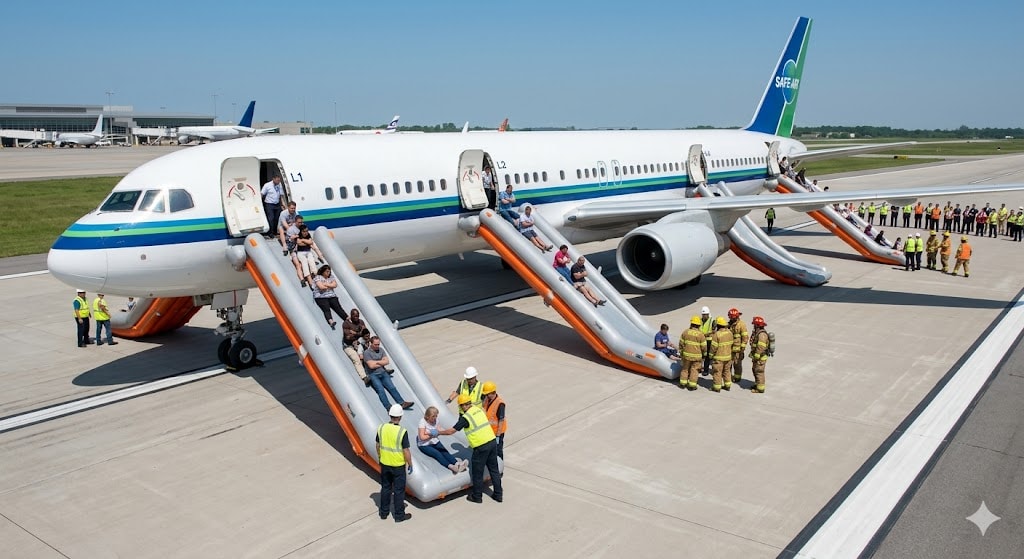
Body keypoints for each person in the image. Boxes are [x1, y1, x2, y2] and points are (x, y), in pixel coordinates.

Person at [438, 394, 502, 504]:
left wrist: (438, 432)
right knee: (494, 470)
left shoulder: (466, 418)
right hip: (491, 442)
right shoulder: (478, 410)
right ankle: (498, 494)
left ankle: (477, 496)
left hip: (481, 447)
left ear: (463, 406)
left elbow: (451, 431)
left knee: (477, 472)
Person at [376, 404, 412, 522]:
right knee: (398, 491)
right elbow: (405, 450)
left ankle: (383, 513)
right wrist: (410, 463)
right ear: (400, 417)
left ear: (389, 415)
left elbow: (377, 445)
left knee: (386, 488)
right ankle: (399, 515)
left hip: (385, 463)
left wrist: (380, 457)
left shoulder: (381, 428)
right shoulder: (402, 431)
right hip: (398, 465)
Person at [363, 336, 413, 410]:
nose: (377, 346)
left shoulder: (381, 350)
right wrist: (381, 362)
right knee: (381, 390)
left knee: (392, 387)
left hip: (383, 372)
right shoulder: (367, 353)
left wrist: (376, 362)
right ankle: (388, 407)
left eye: (378, 344)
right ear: (371, 343)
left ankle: (402, 403)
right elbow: (371, 366)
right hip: (373, 375)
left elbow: (386, 361)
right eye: (375, 344)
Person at [417, 406, 465, 474]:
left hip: (434, 441)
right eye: (433, 416)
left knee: (444, 451)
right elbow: (422, 437)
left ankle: (457, 464)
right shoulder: (422, 422)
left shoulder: (436, 421)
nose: (435, 418)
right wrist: (431, 434)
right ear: (428, 416)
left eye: (436, 416)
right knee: (437, 454)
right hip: (424, 444)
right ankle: (451, 467)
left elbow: (439, 430)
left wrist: (444, 432)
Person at [311, 265, 347, 330]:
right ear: (323, 272)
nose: (328, 273)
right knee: (326, 309)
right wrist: (330, 285)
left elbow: (335, 285)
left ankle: (346, 318)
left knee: (338, 307)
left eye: (329, 272)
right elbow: (321, 287)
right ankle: (331, 321)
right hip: (321, 297)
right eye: (327, 272)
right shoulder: (318, 277)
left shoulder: (331, 277)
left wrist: (326, 284)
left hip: (331, 295)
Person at [678, 316, 707, 391]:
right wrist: (704, 355)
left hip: (686, 356)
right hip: (697, 357)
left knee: (685, 369)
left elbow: (681, 344)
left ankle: (682, 383)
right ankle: (692, 385)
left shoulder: (685, 332)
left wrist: (681, 353)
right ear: (699, 325)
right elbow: (704, 347)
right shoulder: (701, 335)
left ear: (691, 324)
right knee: (694, 370)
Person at [342, 308, 370, 385]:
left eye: (357, 316)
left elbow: (365, 332)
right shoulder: (346, 324)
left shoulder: (361, 322)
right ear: (351, 316)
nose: (356, 318)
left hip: (359, 342)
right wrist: (358, 334)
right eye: (354, 316)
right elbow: (348, 337)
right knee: (356, 359)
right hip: (349, 345)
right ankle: (364, 377)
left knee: (371, 352)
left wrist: (365, 340)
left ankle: (382, 369)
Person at [482, 381, 507, 459]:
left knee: (498, 450)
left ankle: (500, 468)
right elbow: (484, 407)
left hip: (497, 432)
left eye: (487, 394)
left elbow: (501, 420)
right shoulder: (488, 399)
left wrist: (498, 436)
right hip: (490, 431)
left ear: (492, 392)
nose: (486, 395)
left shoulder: (500, 404)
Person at [710, 317, 734, 392]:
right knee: (727, 371)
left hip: (719, 358)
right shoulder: (730, 333)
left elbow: (713, 347)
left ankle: (717, 388)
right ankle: (727, 386)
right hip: (728, 357)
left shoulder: (717, 334)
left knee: (717, 372)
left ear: (718, 325)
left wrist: (711, 355)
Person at [749, 316, 770, 393]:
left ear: (757, 325)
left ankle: (760, 389)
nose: (753, 326)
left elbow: (761, 346)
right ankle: (757, 384)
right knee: (755, 370)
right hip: (757, 357)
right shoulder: (757, 332)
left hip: (760, 358)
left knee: (759, 372)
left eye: (754, 324)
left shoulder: (762, 335)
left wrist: (757, 355)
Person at [728, 308, 749, 384]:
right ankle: (728, 377)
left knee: (737, 365)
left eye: (731, 317)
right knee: (728, 364)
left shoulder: (741, 325)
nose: (730, 318)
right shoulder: (729, 324)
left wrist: (742, 349)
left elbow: (745, 338)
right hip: (729, 349)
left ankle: (737, 377)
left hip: (738, 350)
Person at [699, 306, 714, 375]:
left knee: (707, 356)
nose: (704, 316)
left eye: (705, 315)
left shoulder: (712, 321)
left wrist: (706, 334)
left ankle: (706, 370)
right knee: (700, 355)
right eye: (703, 315)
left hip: (709, 340)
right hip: (701, 340)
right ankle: (699, 368)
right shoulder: (700, 320)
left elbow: (714, 331)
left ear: (708, 314)